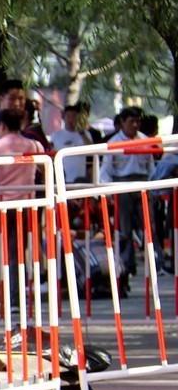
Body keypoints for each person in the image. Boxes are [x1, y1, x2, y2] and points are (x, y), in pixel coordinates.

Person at [0, 108, 44, 307]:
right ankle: (15, 298)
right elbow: (43, 167)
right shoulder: (34, 145)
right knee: (17, 252)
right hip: (25, 204)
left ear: (1, 126)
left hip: (0, 204)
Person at [98, 107, 151, 279]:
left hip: (142, 183)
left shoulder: (145, 140)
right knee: (125, 227)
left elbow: (150, 166)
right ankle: (128, 264)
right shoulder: (113, 143)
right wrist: (108, 192)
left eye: (138, 122)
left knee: (150, 225)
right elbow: (106, 170)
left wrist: (154, 186)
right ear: (122, 123)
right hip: (122, 183)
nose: (135, 125)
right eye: (131, 122)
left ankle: (153, 260)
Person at [50, 104, 96, 184]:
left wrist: (81, 133)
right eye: (68, 116)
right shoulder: (56, 135)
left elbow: (92, 150)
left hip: (80, 177)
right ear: (63, 117)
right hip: (61, 176)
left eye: (74, 116)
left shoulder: (86, 134)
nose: (71, 119)